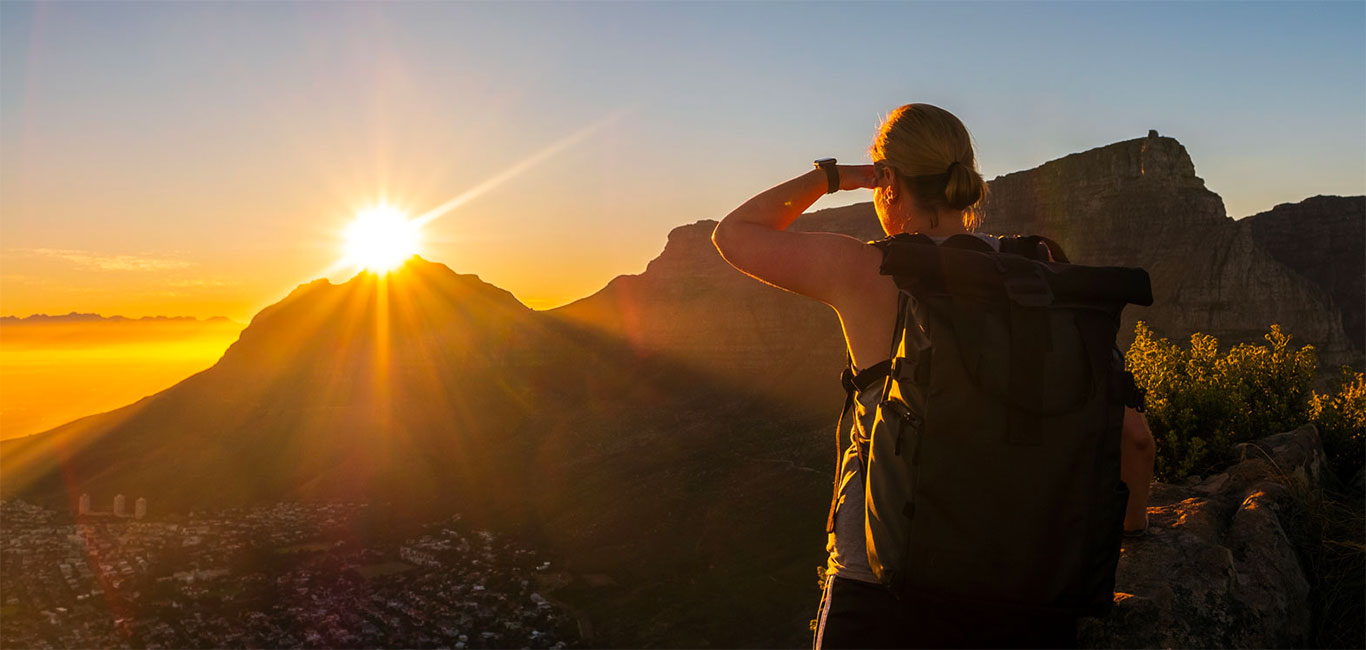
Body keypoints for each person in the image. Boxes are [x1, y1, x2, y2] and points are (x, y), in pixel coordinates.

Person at [710, 103, 1156, 648]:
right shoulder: (1047, 278)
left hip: (880, 589)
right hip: (1026, 589)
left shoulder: (869, 271)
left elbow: (733, 234)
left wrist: (834, 177)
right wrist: (1134, 532)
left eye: (880, 180)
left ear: (888, 183)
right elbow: (1135, 440)